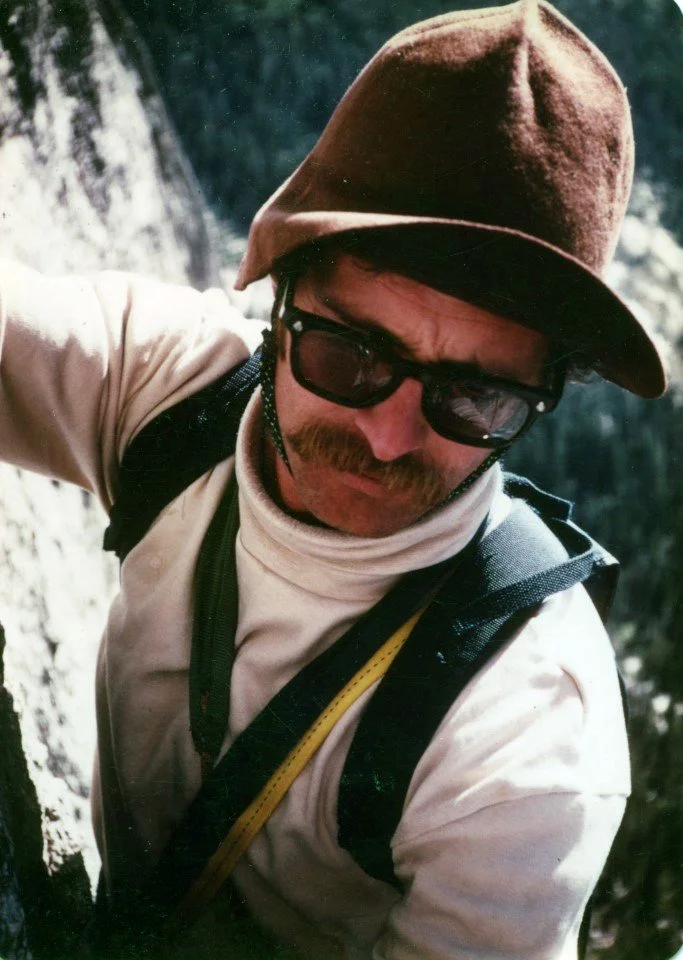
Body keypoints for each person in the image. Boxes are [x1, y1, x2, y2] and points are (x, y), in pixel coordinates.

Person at [0, 1, 668, 958]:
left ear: (540, 396)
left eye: (473, 397)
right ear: (279, 309)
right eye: (349, 355)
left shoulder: (526, 730)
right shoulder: (178, 395)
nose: (389, 439)